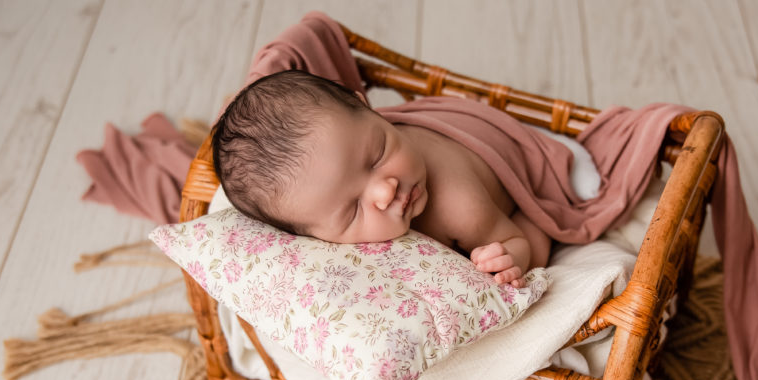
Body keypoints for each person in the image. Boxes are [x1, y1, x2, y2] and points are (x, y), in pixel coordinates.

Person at [211, 69, 550, 288]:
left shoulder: (459, 207)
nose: (386, 191)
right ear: (311, 237)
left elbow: (515, 240)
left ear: (368, 108)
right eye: (352, 211)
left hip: (512, 157)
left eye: (376, 156)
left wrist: (508, 261)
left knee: (538, 239)